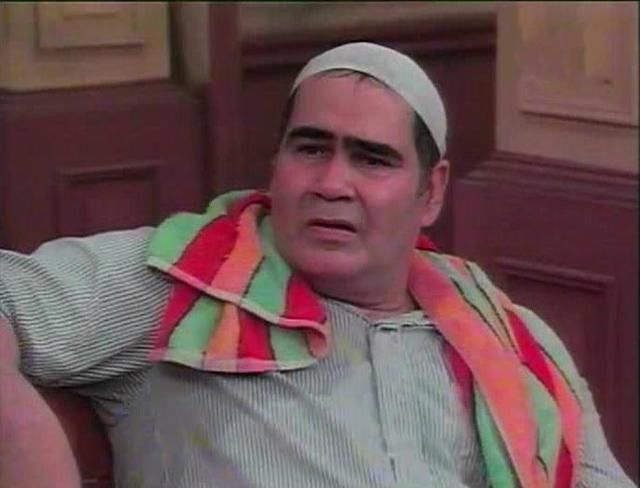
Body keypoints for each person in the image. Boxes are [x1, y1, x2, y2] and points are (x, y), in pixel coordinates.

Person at [0, 42, 635, 488]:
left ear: (431, 191)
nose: (332, 183)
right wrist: (24, 440)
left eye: (372, 159)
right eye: (310, 149)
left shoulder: (510, 343)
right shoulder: (182, 280)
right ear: (275, 163)